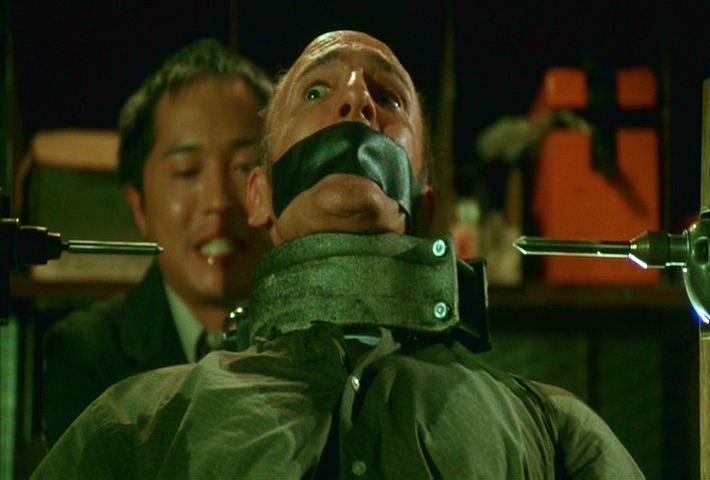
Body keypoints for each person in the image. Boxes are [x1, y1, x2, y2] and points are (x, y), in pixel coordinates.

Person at [33, 31, 644, 479]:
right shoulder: (137, 424)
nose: (356, 101)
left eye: (389, 96)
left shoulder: (550, 429)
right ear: (261, 195)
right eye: (317, 90)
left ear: (423, 202)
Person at [41, 39, 273, 448]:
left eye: (243, 167)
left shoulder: (317, 345)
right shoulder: (88, 355)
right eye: (187, 171)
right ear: (139, 206)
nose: (218, 201)